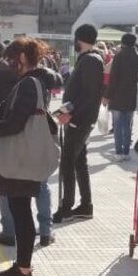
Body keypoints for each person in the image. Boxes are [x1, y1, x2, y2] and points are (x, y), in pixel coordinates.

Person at [0, 38, 58, 276]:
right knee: (20, 212)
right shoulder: (28, 82)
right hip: (22, 157)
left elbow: (14, 123)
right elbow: (2, 112)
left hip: (22, 157)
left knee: (21, 213)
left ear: (21, 58)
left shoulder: (29, 84)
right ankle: (21, 265)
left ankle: (24, 269)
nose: (7, 64)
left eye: (10, 59)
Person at [0, 61, 62, 248]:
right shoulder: (44, 78)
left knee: (9, 184)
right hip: (39, 138)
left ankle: (9, 231)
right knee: (42, 184)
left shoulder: (27, 82)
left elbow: (14, 120)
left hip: (19, 140)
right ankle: (46, 231)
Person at [53, 24, 106, 223]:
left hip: (80, 121)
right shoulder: (89, 58)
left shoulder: (91, 60)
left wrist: (71, 114)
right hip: (80, 118)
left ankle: (66, 207)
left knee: (68, 163)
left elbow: (91, 94)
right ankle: (85, 205)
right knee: (79, 162)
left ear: (79, 39)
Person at [104, 33, 138, 162]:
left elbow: (113, 78)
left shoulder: (119, 57)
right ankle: (126, 152)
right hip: (131, 94)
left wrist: (107, 95)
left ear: (122, 43)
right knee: (127, 125)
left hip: (117, 95)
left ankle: (118, 152)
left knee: (117, 125)